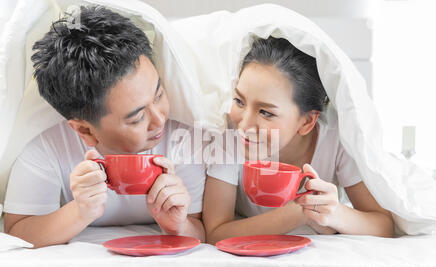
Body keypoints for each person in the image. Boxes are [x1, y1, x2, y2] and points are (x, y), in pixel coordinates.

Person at [2, 6, 205, 248]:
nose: (159, 120)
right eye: (137, 118)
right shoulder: (46, 146)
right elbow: (17, 231)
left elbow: (199, 228)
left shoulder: (184, 137)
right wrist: (80, 212)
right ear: (85, 130)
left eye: (159, 94)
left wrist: (177, 225)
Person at [203, 36, 394, 244]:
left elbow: (383, 225)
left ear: (307, 122)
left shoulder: (337, 138)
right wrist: (300, 212)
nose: (245, 124)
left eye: (266, 112)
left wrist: (335, 214)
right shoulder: (229, 131)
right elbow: (216, 233)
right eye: (239, 101)